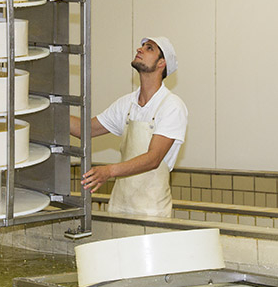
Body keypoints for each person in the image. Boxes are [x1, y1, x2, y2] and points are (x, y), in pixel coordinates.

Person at [69, 36, 188, 217]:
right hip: (118, 208)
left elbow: (153, 159)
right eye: (141, 47)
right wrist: (47, 110)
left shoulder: (172, 106)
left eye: (149, 48)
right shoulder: (127, 104)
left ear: (161, 63)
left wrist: (109, 171)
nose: (139, 50)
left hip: (152, 212)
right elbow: (84, 129)